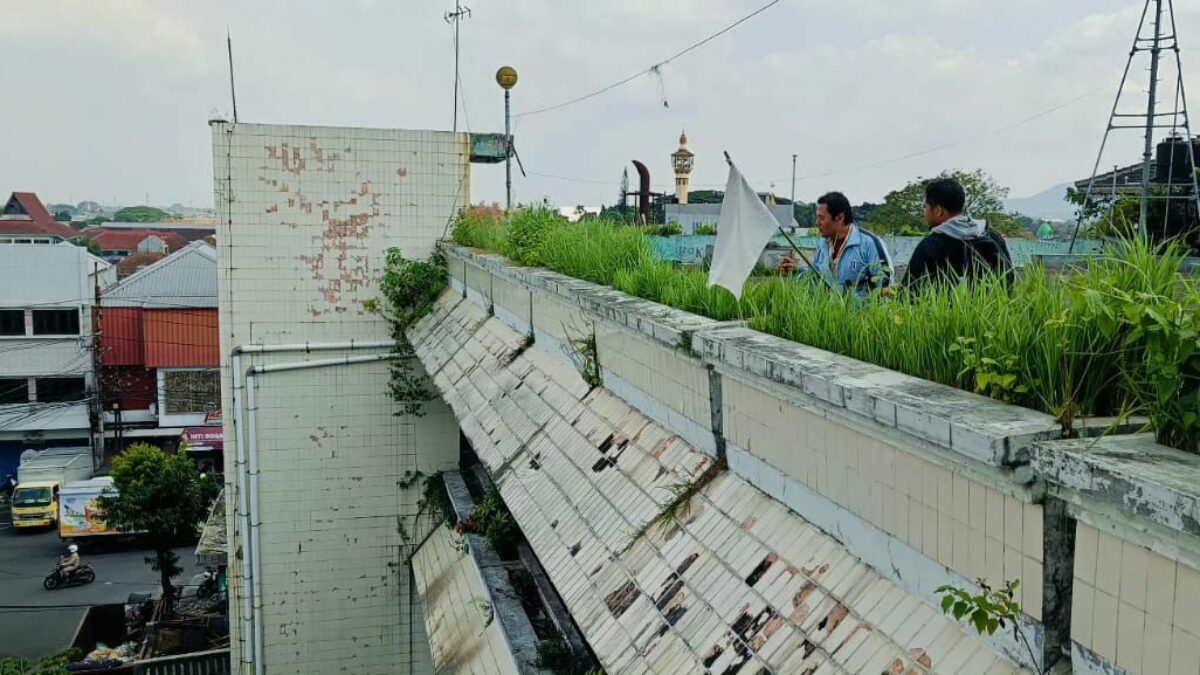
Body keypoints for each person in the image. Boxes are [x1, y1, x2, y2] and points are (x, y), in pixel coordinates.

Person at [903, 178, 1013, 291]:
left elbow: (909, 293)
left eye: (925, 207)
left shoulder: (931, 245)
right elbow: (1009, 283)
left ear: (938, 210)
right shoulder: (991, 235)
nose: (924, 213)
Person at [780, 191, 894, 293]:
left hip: (862, 315)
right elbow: (816, 279)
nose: (816, 222)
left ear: (839, 218)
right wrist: (795, 271)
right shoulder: (823, 244)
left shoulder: (870, 244)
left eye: (822, 218)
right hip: (831, 315)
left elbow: (886, 288)